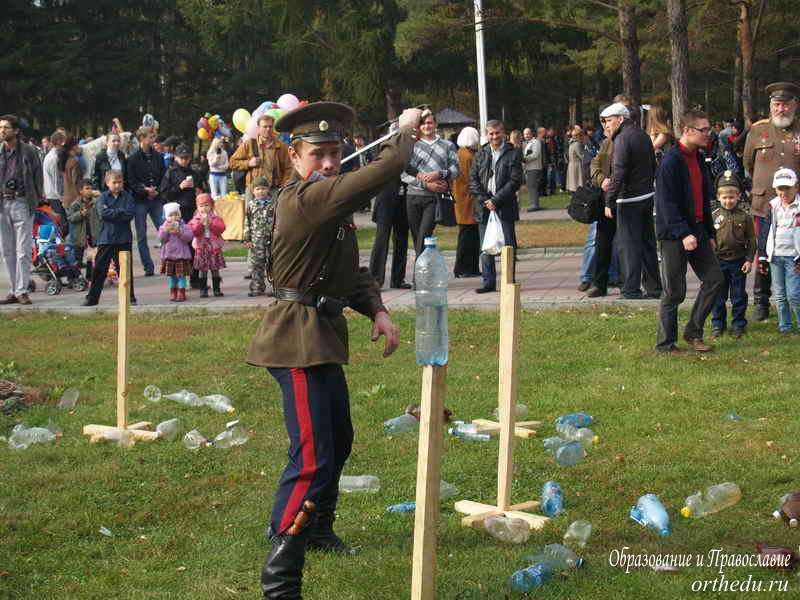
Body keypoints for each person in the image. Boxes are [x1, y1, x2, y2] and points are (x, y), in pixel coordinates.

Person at [247, 101, 417, 600]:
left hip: (320, 336)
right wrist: (403, 133)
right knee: (312, 456)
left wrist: (377, 309)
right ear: (295, 157)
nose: (328, 163)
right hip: (294, 341)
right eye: (317, 154)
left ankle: (318, 528)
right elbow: (382, 171)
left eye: (335, 153)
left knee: (337, 440)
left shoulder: (328, 206)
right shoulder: (307, 199)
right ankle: (280, 578)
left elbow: (349, 270)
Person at [654, 110, 723, 354]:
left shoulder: (699, 157)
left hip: (698, 231)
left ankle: (693, 332)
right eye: (703, 130)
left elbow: (703, 199)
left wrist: (709, 234)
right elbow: (666, 204)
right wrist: (684, 233)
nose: (708, 133)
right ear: (687, 131)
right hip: (675, 235)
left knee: (714, 279)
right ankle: (665, 344)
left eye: (709, 129)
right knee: (674, 292)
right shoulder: (671, 161)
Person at [742, 81, 800, 321]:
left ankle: (795, 301)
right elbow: (748, 163)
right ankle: (761, 302)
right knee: (764, 253)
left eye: (785, 104)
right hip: (765, 205)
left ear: (795, 105)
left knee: (796, 252)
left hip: (795, 208)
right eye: (777, 104)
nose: (781, 109)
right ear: (771, 106)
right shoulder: (758, 130)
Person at [602, 102, 662, 300]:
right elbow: (652, 164)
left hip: (628, 199)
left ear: (621, 119)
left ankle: (630, 289)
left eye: (609, 120)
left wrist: (609, 201)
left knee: (628, 247)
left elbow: (619, 172)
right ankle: (654, 288)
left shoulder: (622, 138)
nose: (606, 125)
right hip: (646, 195)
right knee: (647, 245)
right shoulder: (641, 135)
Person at [469, 119, 523, 294]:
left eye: (497, 133)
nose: (494, 137)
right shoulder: (480, 154)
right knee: (486, 247)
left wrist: (496, 200)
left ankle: (509, 280)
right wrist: (486, 200)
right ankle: (488, 282)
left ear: (504, 134)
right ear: (487, 135)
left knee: (508, 245)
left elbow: (515, 181)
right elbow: (473, 180)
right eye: (491, 133)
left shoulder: (513, 154)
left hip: (504, 206)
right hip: (484, 207)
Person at [401, 111, 459, 258]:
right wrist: (425, 185)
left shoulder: (448, 145)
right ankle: (423, 269)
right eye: (423, 123)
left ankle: (420, 270)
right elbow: (403, 174)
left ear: (435, 124)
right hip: (412, 197)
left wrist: (440, 174)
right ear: (418, 126)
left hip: (434, 199)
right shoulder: (411, 146)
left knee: (424, 235)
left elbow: (456, 170)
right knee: (417, 238)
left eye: (429, 123)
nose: (426, 126)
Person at [0, 114, 43, 305]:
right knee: (6, 251)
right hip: (2, 203)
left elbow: (38, 175)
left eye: (6, 127)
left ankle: (22, 290)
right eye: (0, 127)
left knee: (23, 251)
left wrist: (38, 197)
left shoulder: (29, 151)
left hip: (22, 202)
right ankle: (13, 289)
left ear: (16, 131)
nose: (2, 131)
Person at [710, 171, 756, 338]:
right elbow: (709, 239)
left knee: (738, 295)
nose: (728, 201)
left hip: (738, 261)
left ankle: (738, 324)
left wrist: (749, 260)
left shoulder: (745, 217)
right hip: (719, 261)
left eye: (732, 197)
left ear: (738, 196)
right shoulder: (714, 216)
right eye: (724, 197)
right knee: (718, 295)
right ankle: (718, 324)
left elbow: (751, 240)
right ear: (718, 197)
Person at [83, 170, 136, 306]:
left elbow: (130, 214)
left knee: (125, 270)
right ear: (107, 183)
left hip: (124, 238)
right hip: (106, 238)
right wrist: (120, 212)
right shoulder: (103, 198)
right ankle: (92, 298)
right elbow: (103, 213)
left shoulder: (128, 197)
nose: (117, 185)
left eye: (120, 182)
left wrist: (113, 212)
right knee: (99, 269)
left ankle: (129, 297)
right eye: (114, 182)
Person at [368, 126, 412, 289]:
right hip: (386, 199)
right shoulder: (385, 150)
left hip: (403, 198)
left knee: (401, 239)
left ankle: (398, 278)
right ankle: (375, 278)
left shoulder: (410, 149)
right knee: (382, 238)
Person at [765, 168, 800, 334]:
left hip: (794, 257)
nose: (783, 192)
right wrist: (763, 254)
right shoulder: (772, 206)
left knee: (794, 294)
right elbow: (765, 232)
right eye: (780, 188)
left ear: (796, 187)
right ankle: (784, 326)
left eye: (787, 188)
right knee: (780, 295)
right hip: (775, 256)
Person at [128, 126, 167, 277]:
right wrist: (144, 190)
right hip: (140, 200)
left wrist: (157, 190)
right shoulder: (132, 159)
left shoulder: (158, 157)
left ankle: (168, 262)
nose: (153, 139)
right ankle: (148, 266)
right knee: (141, 235)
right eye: (150, 137)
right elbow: (131, 181)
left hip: (156, 199)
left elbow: (163, 176)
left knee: (164, 231)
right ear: (142, 139)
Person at [452, 126, 481, 278]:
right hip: (468, 200)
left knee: (469, 235)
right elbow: (473, 178)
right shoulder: (468, 156)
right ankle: (464, 268)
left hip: (463, 200)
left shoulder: (460, 153)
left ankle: (469, 267)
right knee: (468, 236)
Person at [189, 193, 226, 297]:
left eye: (206, 205)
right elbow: (194, 232)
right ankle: (203, 290)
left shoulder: (216, 218)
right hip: (201, 247)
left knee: (215, 268)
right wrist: (200, 224)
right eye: (201, 206)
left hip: (214, 246)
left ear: (211, 206)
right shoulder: (195, 219)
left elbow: (220, 229)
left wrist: (211, 224)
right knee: (203, 269)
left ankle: (217, 289)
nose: (204, 208)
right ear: (197, 207)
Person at [243, 176, 275, 297]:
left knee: (272, 264)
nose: (260, 191)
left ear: (268, 190)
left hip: (271, 240)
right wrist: (247, 238)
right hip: (256, 240)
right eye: (257, 189)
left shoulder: (273, 204)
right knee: (256, 265)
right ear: (253, 191)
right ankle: (257, 287)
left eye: (263, 188)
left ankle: (274, 287)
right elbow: (247, 221)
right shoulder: (251, 205)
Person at [158, 202, 194, 302]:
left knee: (181, 276)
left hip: (181, 255)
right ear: (166, 217)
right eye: (171, 215)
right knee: (172, 276)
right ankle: (173, 292)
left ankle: (181, 292)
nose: (174, 217)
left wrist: (179, 232)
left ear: (180, 215)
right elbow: (162, 239)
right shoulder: (163, 227)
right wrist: (166, 231)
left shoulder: (184, 226)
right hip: (169, 255)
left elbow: (189, 238)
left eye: (176, 214)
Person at [66, 179, 101, 280]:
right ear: (80, 190)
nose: (89, 191)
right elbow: (70, 218)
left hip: (92, 234)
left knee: (92, 256)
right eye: (87, 188)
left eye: (91, 188)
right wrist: (80, 214)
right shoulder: (76, 204)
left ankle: (90, 277)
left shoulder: (95, 202)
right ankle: (74, 278)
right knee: (78, 258)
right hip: (80, 235)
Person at [58, 137, 83, 232]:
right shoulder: (74, 162)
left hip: (66, 198)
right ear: (73, 147)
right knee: (76, 230)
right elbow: (76, 182)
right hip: (74, 199)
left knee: (71, 228)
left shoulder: (64, 161)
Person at [42, 130, 66, 222]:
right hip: (55, 196)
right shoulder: (54, 158)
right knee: (62, 222)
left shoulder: (53, 156)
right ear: (59, 141)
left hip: (53, 194)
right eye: (64, 142)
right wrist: (62, 197)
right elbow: (57, 180)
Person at [522, 127, 543, 212]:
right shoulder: (526, 143)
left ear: (531, 134)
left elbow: (535, 155)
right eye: (525, 134)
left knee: (533, 186)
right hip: (529, 168)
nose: (526, 135)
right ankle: (533, 203)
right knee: (530, 186)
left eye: (528, 133)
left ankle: (535, 204)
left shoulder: (536, 142)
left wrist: (525, 159)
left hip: (534, 167)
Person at [566, 125, 584, 193]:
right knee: (576, 184)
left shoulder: (571, 143)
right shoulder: (577, 144)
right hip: (576, 165)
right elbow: (581, 156)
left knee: (573, 184)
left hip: (572, 165)